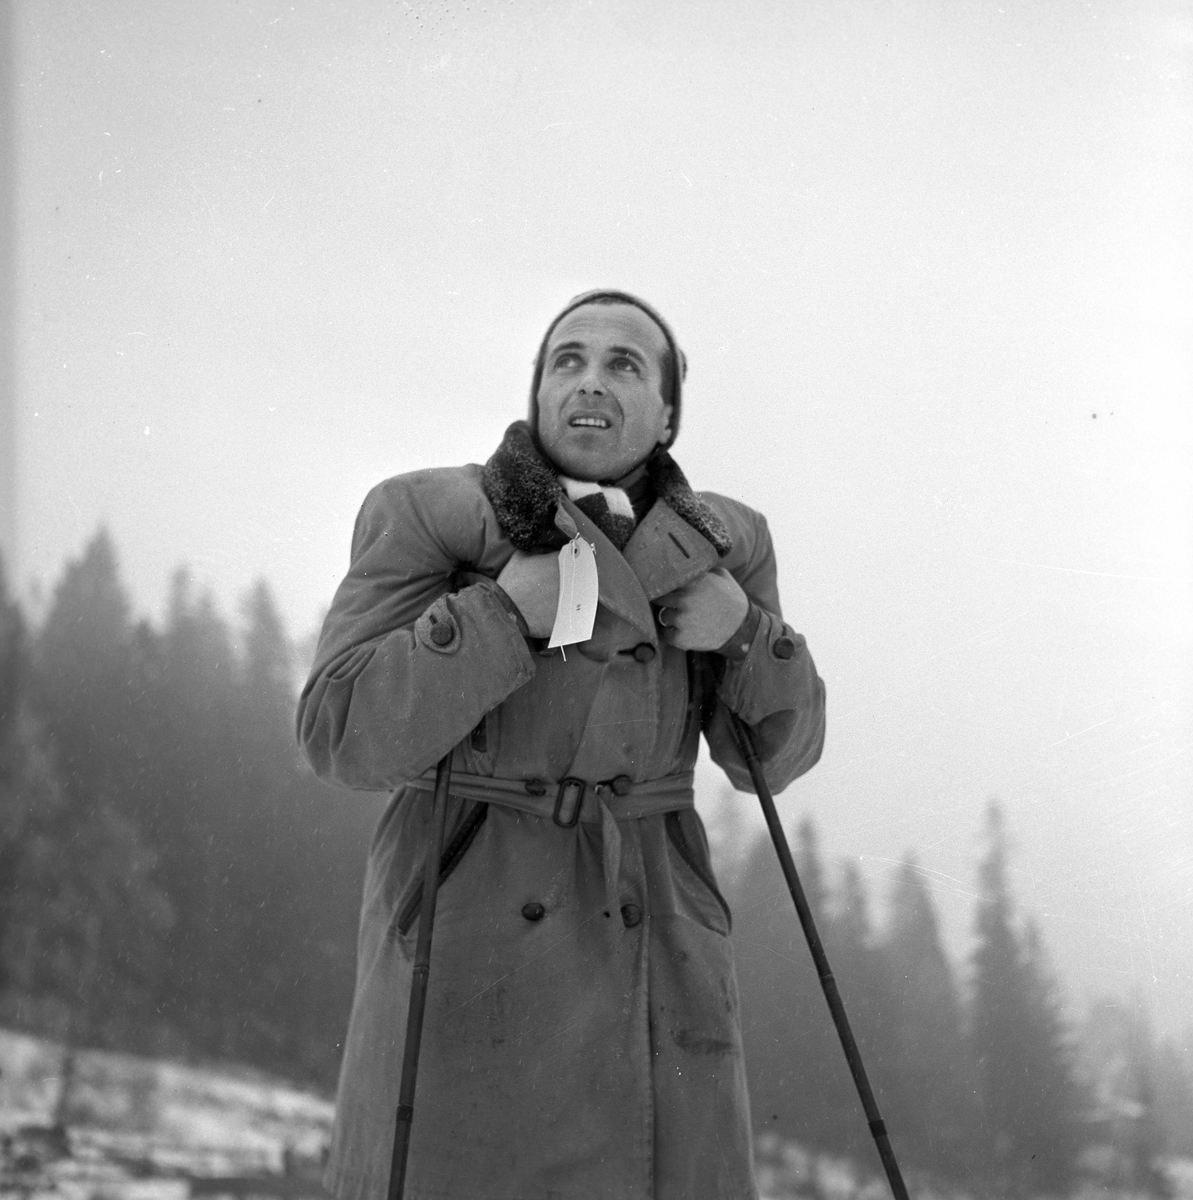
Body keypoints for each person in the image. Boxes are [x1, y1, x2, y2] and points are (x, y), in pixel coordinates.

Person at [297, 290, 826, 1200]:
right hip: (471, 913)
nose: (590, 381)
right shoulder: (428, 513)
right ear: (537, 390)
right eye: (566, 360)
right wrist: (499, 614)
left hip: (657, 930)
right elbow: (340, 733)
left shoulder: (725, 545)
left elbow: (771, 760)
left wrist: (746, 635)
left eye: (625, 364)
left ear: (665, 412)